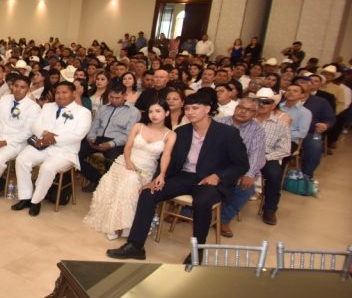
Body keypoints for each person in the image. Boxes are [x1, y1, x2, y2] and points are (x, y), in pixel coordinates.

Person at [106, 90, 249, 261]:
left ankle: (197, 251)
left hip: (210, 180)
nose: (190, 112)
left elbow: (242, 164)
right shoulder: (182, 132)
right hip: (184, 176)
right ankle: (135, 246)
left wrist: (218, 176)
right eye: (187, 108)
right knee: (148, 193)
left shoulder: (227, 133)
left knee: (202, 202)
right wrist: (157, 178)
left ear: (207, 109)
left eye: (195, 108)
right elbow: (168, 159)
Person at [84, 98, 175, 240]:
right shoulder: (138, 126)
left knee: (131, 181)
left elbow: (166, 156)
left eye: (158, 111)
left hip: (146, 168)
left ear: (167, 113)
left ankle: (126, 224)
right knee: (129, 180)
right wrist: (128, 161)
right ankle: (115, 225)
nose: (153, 114)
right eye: (150, 111)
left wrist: (162, 174)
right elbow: (128, 147)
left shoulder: (170, 134)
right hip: (126, 162)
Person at [11, 82, 92, 216]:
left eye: (64, 92)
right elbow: (35, 125)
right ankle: (25, 197)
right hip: (42, 146)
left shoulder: (83, 112)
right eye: (57, 92)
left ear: (73, 94)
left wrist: (53, 139)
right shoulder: (48, 107)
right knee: (22, 159)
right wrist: (44, 134)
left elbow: (79, 134)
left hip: (65, 151)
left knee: (47, 168)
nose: (60, 95)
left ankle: (36, 201)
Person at [216, 98, 267, 238]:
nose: (243, 111)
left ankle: (223, 219)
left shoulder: (257, 130)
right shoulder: (220, 122)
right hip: (215, 165)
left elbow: (256, 154)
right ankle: (188, 211)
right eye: (240, 107)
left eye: (249, 110)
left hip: (239, 168)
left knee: (246, 189)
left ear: (255, 114)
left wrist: (249, 174)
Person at [78, 84, 140, 191]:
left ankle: (106, 187)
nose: (114, 100)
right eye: (111, 97)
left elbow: (128, 135)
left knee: (112, 162)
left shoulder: (133, 112)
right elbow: (94, 126)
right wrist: (91, 138)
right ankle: (97, 179)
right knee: (74, 154)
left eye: (117, 98)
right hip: (97, 138)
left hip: (117, 142)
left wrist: (110, 144)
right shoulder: (103, 108)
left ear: (125, 96)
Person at [252, 88, 291, 226]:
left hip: (267, 157)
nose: (261, 104)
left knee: (275, 175)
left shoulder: (280, 125)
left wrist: (265, 158)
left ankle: (269, 209)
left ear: (273, 105)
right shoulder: (245, 119)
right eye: (258, 101)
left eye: (266, 102)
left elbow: (285, 150)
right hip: (243, 155)